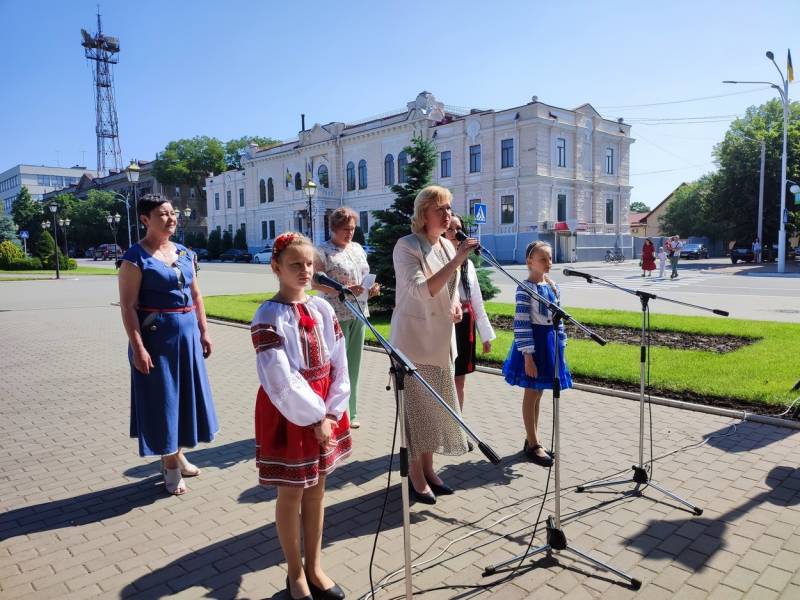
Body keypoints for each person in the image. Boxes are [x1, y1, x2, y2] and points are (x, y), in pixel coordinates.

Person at [251, 232, 351, 600]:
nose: (305, 270)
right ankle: (295, 573)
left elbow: (339, 360)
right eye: (295, 264)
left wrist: (334, 408)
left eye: (309, 263)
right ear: (276, 267)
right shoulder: (268, 315)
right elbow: (280, 377)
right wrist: (314, 416)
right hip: (290, 413)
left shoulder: (323, 307)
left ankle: (315, 566)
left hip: (324, 408)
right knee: (292, 492)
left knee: (318, 490)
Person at [118, 194, 218, 495]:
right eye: (163, 214)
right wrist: (138, 347)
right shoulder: (135, 258)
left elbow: (197, 295)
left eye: (173, 212)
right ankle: (171, 466)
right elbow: (128, 306)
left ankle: (177, 453)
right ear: (145, 219)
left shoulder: (185, 253)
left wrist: (204, 331)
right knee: (164, 402)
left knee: (184, 399)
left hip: (187, 338)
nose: (171, 218)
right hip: (156, 340)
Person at [391, 185, 479, 505]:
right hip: (414, 344)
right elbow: (420, 289)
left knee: (436, 409)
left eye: (449, 208)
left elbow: (449, 286)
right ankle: (415, 474)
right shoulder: (406, 247)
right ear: (423, 213)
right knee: (417, 413)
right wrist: (457, 258)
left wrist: (454, 303)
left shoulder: (444, 244)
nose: (448, 215)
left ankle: (429, 468)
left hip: (441, 343)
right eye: (440, 209)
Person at [502, 241, 572, 467]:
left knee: (539, 392)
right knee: (531, 392)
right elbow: (521, 323)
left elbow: (558, 321)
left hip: (549, 344)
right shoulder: (525, 288)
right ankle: (533, 444)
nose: (549, 263)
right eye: (543, 259)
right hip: (533, 345)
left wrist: (561, 343)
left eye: (550, 258)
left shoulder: (552, 287)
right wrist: (528, 356)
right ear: (530, 261)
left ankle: (533, 439)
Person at [314, 207, 380, 429]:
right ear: (333, 228)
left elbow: (363, 275)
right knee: (336, 367)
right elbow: (315, 283)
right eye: (345, 229)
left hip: (359, 312)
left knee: (353, 366)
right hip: (335, 314)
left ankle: (351, 412)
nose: (349, 233)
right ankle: (334, 413)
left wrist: (370, 289)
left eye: (352, 228)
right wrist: (342, 289)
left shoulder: (358, 248)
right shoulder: (323, 251)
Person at [443, 214, 496, 421]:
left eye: (459, 229)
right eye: (450, 229)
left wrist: (485, 335)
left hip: (465, 325)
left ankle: (458, 424)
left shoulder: (468, 265)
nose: (456, 233)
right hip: (445, 324)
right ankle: (443, 425)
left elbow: (477, 301)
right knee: (444, 378)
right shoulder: (438, 261)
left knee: (460, 380)